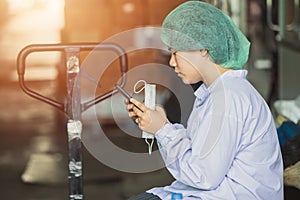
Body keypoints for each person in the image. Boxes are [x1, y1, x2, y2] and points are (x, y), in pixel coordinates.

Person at [127, 1, 283, 199]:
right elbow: (200, 155)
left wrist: (162, 130)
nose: (171, 62)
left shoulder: (228, 98)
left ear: (203, 48)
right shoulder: (217, 94)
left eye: (176, 52)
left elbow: (203, 175)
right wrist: (161, 124)